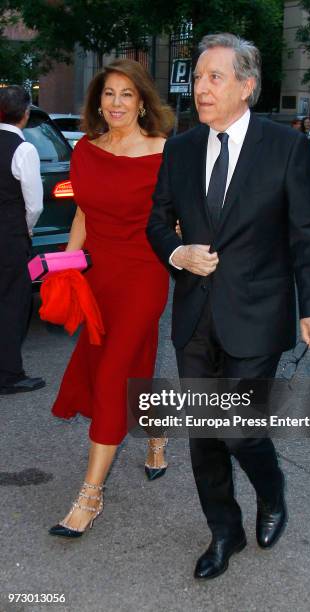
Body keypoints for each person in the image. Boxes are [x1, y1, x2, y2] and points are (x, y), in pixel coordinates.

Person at [147, 33, 310, 580]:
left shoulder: (284, 147)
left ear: (246, 87)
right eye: (198, 77)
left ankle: (271, 493)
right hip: (194, 315)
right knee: (204, 434)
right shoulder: (179, 149)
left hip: (258, 313)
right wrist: (178, 252)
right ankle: (224, 531)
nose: (200, 88)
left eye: (214, 78)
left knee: (240, 429)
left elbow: (307, 233)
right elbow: (157, 221)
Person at [49, 59, 174, 538]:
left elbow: (180, 213)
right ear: (97, 101)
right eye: (108, 94)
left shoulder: (165, 151)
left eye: (126, 94)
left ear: (143, 100)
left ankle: (89, 496)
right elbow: (83, 212)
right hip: (98, 274)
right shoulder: (86, 150)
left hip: (143, 274)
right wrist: (65, 264)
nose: (116, 103)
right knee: (133, 362)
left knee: (112, 370)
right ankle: (157, 434)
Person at [0, 85, 45, 394]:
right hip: (9, 237)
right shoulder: (23, 148)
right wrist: (26, 228)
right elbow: (35, 205)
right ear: (25, 115)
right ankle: (9, 374)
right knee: (13, 304)